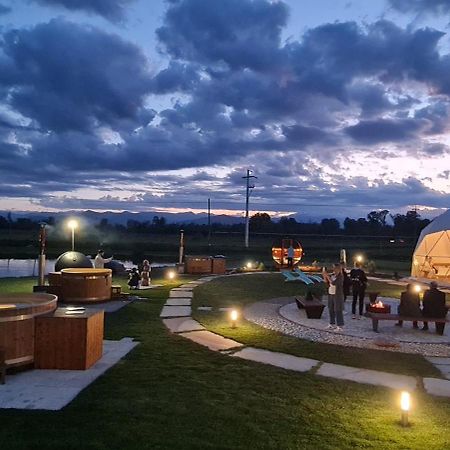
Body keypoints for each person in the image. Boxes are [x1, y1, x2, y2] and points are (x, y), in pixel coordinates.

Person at [323, 263, 344, 330]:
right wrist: (324, 275)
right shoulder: (332, 275)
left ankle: (340, 326)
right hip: (331, 294)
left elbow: (333, 283)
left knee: (338, 310)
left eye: (335, 268)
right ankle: (332, 323)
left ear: (338, 269)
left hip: (337, 295)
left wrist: (327, 276)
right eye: (333, 268)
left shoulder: (340, 276)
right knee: (331, 309)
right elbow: (327, 282)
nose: (333, 269)